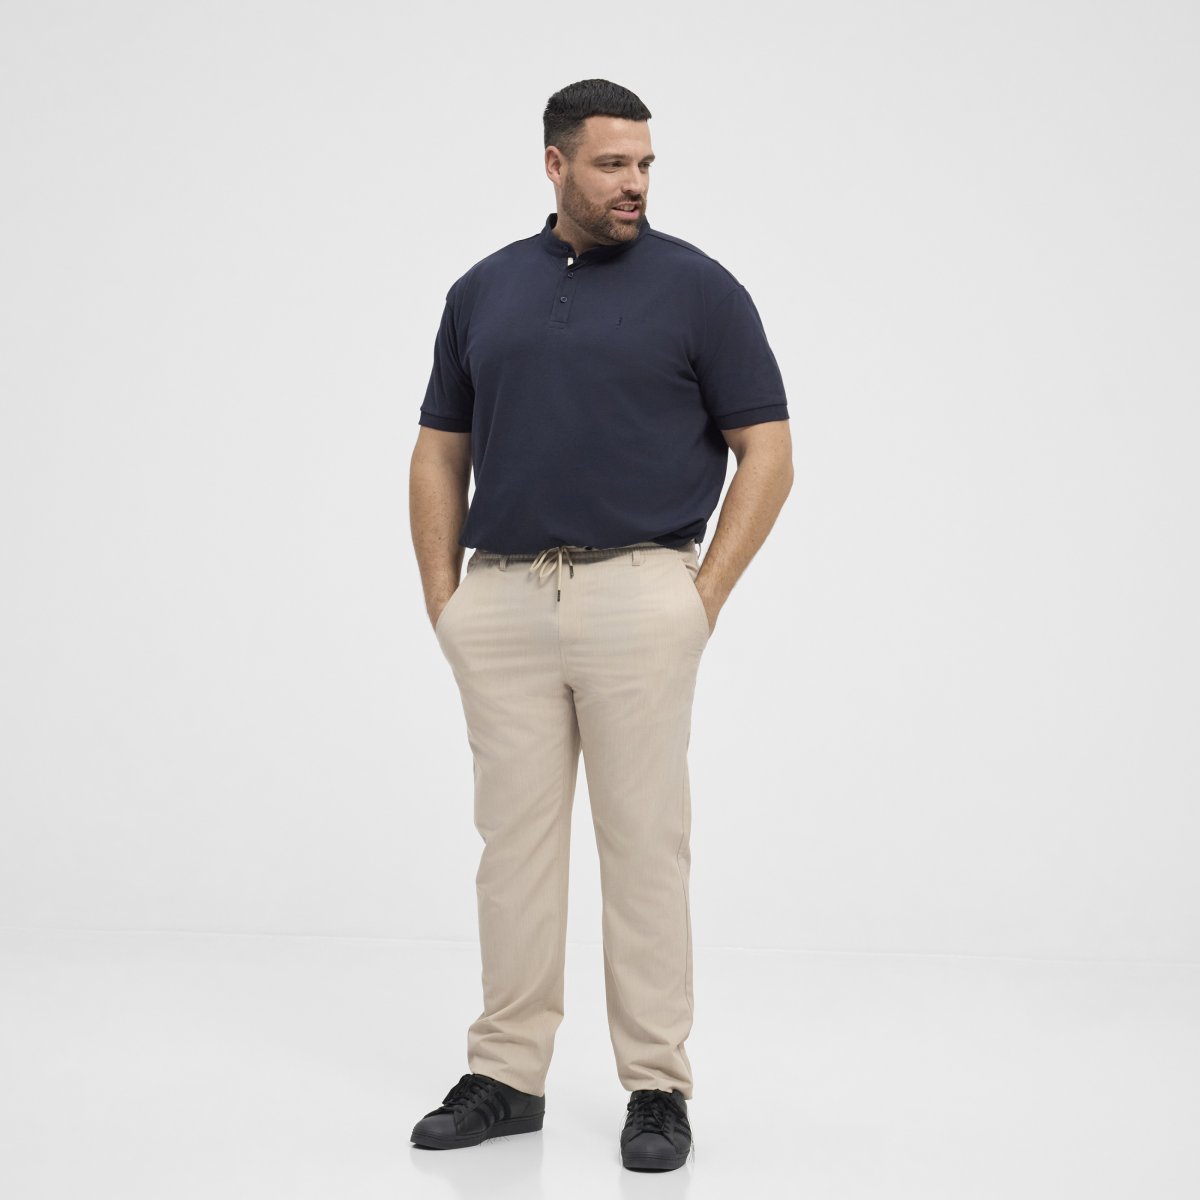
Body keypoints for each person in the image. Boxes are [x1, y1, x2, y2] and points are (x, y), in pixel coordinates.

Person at [408, 78, 793, 1172]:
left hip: (641, 592)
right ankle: (506, 1074)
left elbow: (769, 450)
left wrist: (699, 599)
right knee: (511, 851)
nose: (635, 184)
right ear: (556, 163)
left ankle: (656, 1086)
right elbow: (439, 448)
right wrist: (446, 600)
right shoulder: (483, 290)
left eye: (646, 165)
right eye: (613, 164)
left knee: (644, 845)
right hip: (503, 597)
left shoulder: (699, 289)